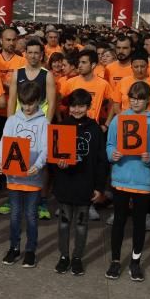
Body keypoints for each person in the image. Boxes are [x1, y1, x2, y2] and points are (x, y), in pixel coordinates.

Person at [104, 80, 150, 282]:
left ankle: (135, 262)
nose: (135, 102)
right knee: (119, 221)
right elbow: (110, 144)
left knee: (139, 223)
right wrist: (113, 154)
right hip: (121, 177)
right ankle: (114, 261)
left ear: (148, 100)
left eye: (139, 99)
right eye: (132, 98)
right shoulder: (118, 119)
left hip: (143, 180)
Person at [50, 89, 109, 276]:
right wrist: (58, 166)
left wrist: (99, 187)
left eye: (81, 106)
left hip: (86, 185)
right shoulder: (62, 126)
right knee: (65, 223)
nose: (76, 109)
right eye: (73, 106)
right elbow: (52, 159)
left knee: (82, 224)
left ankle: (77, 257)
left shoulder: (95, 129)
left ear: (88, 107)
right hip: (66, 184)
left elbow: (101, 160)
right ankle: (64, 256)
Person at [0, 81, 48, 268]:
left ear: (38, 101)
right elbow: (3, 143)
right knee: (15, 215)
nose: (27, 107)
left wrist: (39, 165)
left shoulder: (43, 122)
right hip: (14, 177)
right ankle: (14, 247)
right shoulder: (12, 120)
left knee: (31, 216)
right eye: (24, 103)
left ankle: (31, 250)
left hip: (32, 177)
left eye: (31, 103)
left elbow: (45, 148)